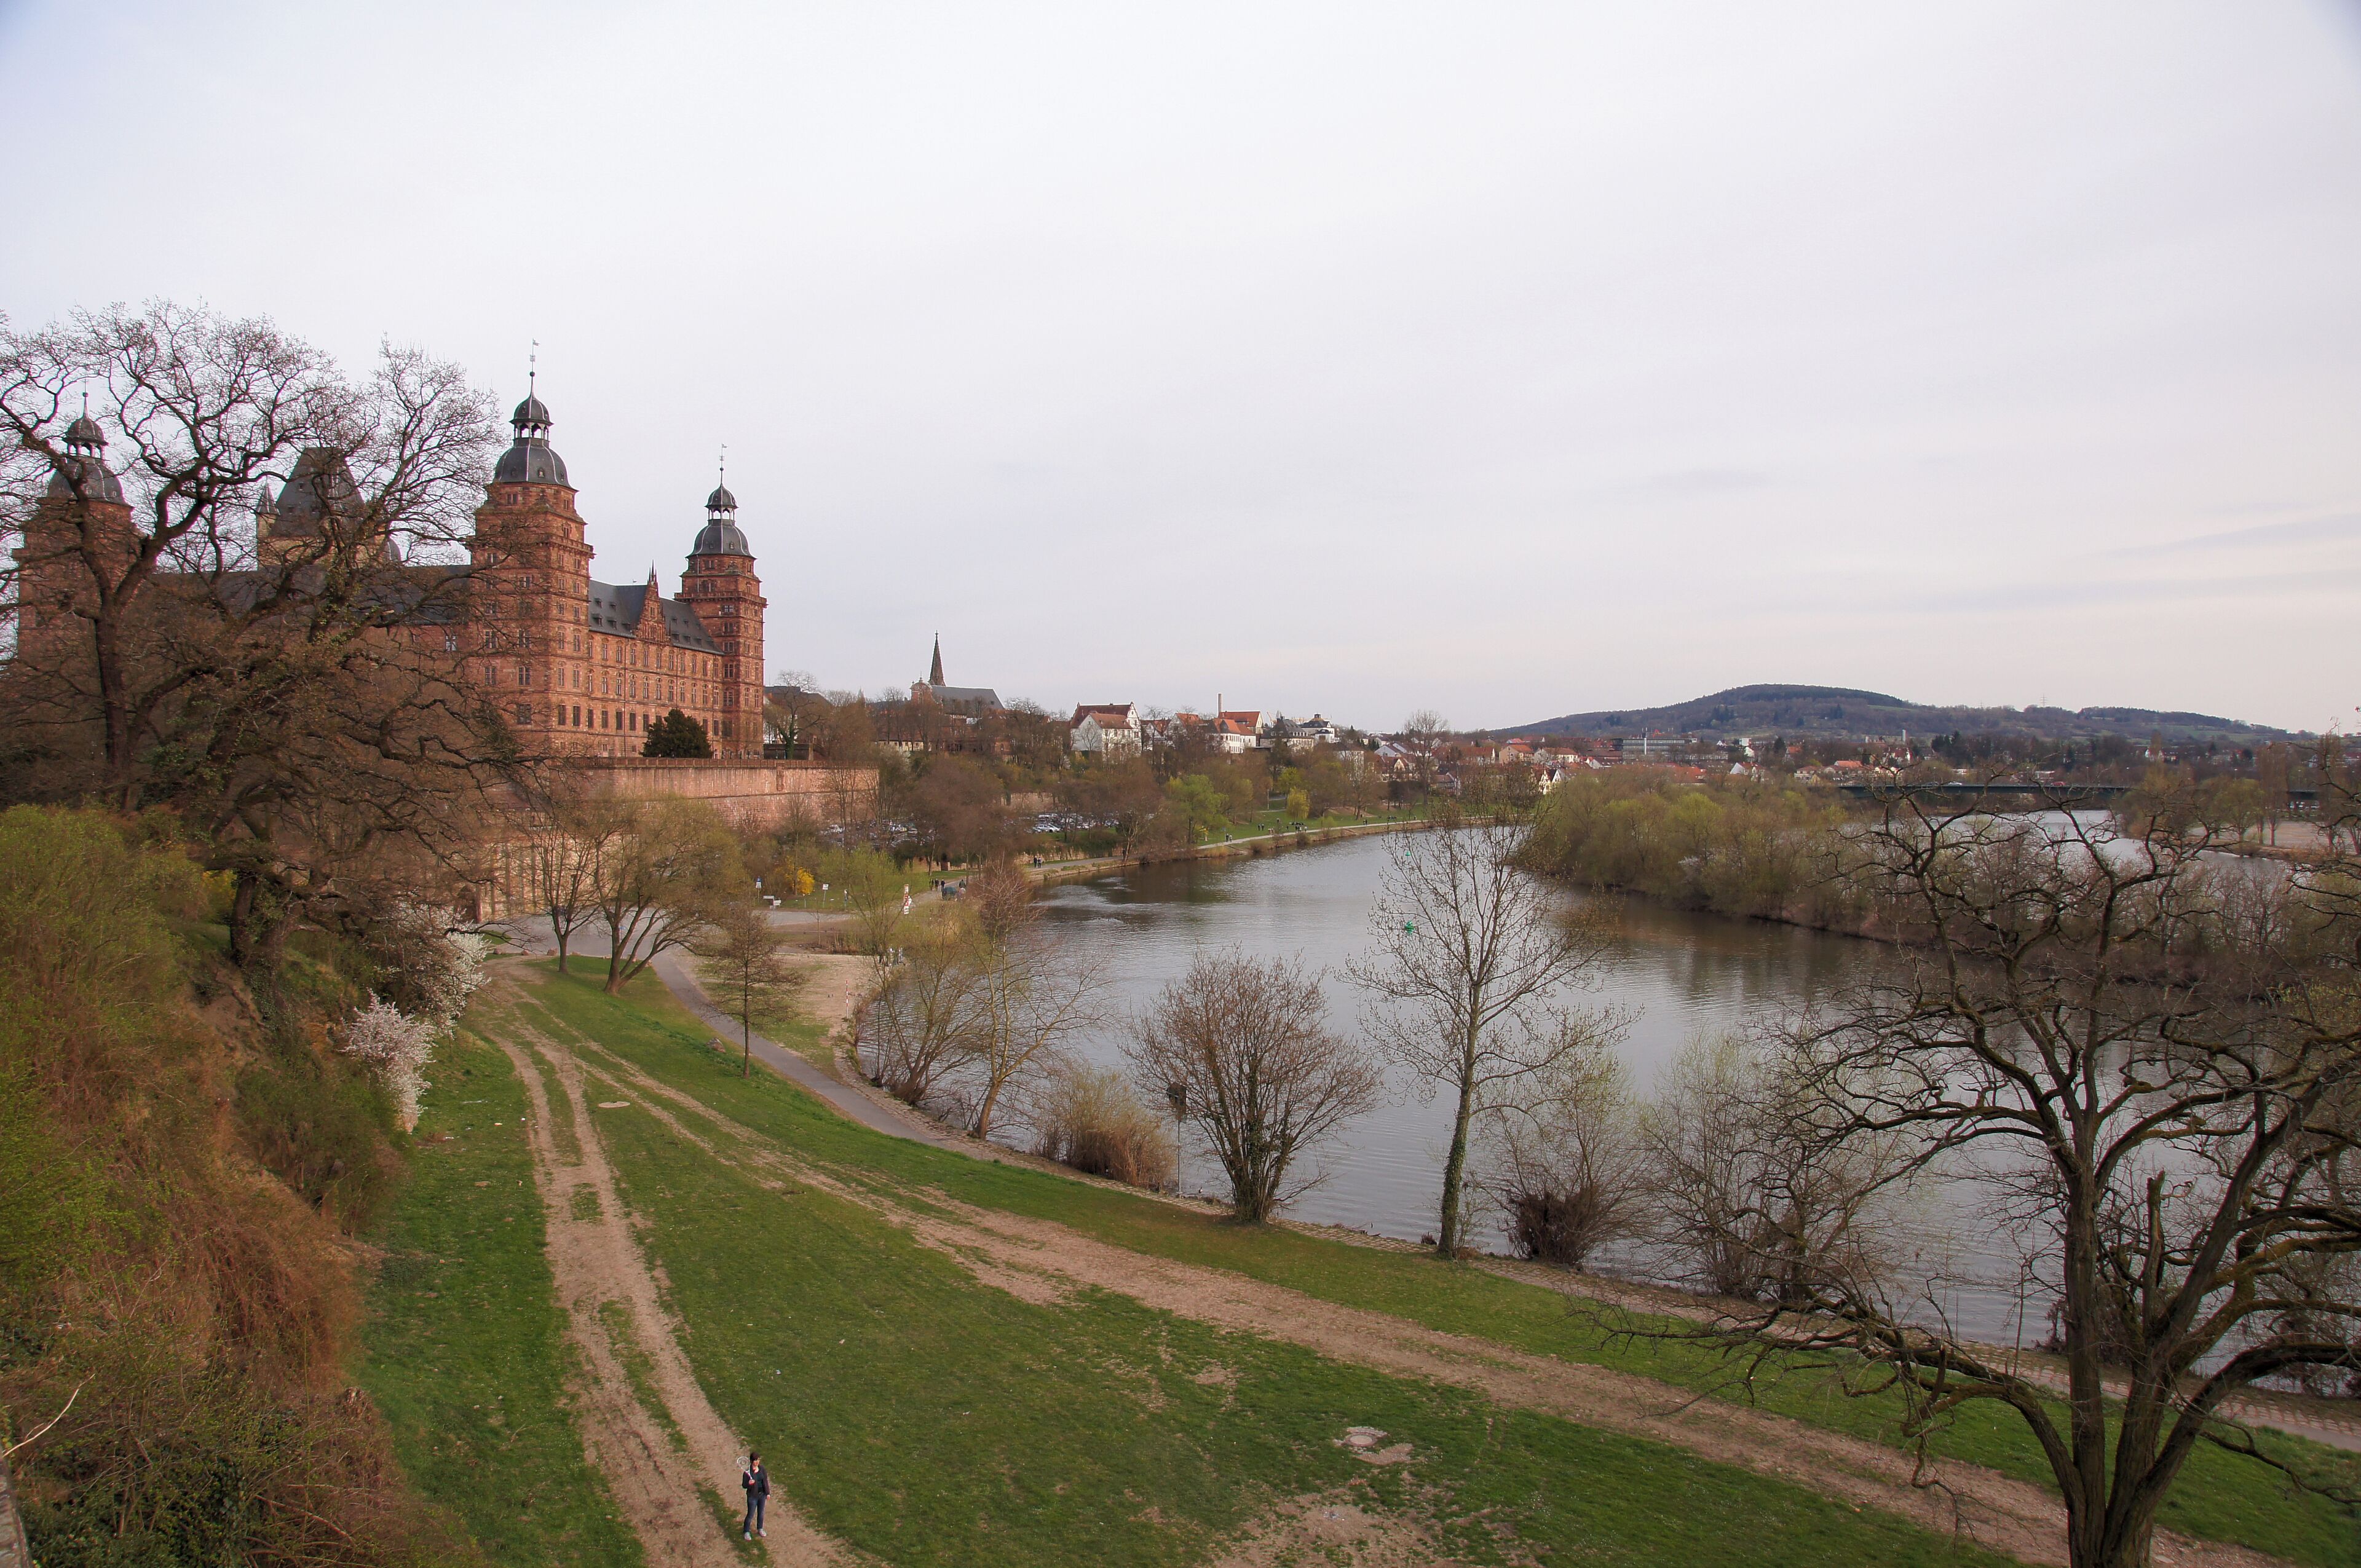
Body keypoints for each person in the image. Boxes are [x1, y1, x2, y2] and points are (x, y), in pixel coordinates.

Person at [740, 1452, 768, 1539]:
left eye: (758, 1460)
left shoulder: (762, 1469)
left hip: (762, 1496)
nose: (757, 1462)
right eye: (755, 1460)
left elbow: (765, 1481)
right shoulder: (747, 1473)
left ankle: (760, 1528)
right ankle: (746, 1531)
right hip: (753, 1497)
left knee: (761, 1514)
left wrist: (767, 1493)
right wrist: (749, 1483)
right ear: (752, 1461)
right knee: (751, 1515)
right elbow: (744, 1485)